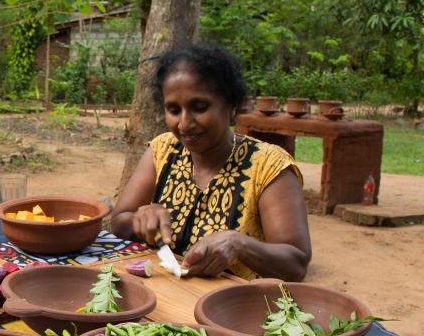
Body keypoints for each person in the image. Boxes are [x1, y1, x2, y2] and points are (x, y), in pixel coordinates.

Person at [109, 43, 311, 280]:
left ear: (232, 107)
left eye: (199, 107)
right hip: (169, 297)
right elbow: (118, 223)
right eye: (174, 110)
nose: (184, 123)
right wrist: (138, 219)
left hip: (236, 307)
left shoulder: (269, 167)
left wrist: (240, 244)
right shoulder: (163, 150)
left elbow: (296, 264)